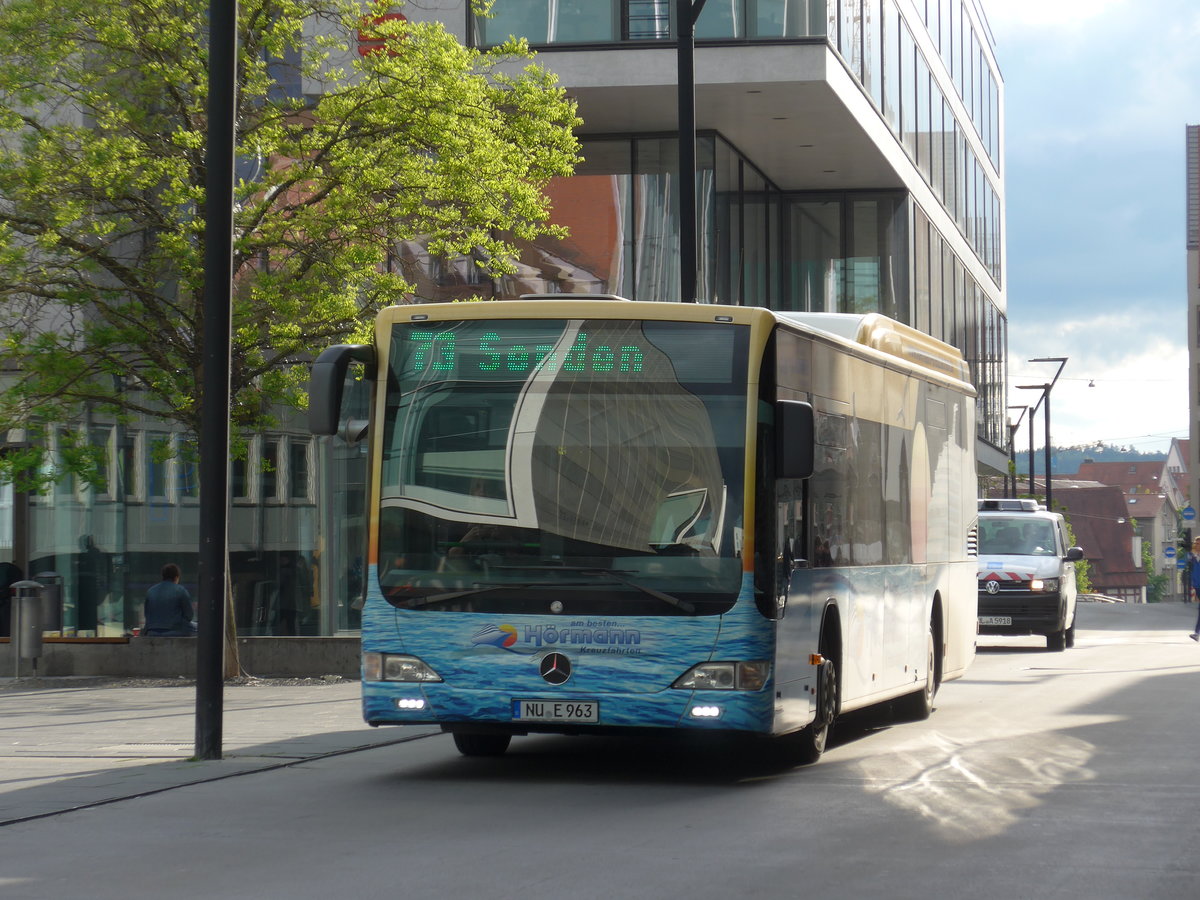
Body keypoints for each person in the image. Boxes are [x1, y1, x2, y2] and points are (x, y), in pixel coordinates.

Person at [142, 563, 196, 636]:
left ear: (163, 576)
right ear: (176, 577)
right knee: (196, 628)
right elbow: (189, 615)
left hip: (152, 631)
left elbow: (147, 614)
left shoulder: (150, 591)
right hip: (175, 631)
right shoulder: (181, 590)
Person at [1189, 538, 1200, 642]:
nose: (1197, 545)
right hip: (1197, 585)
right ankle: (1197, 633)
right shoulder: (1193, 556)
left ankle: (1197, 633)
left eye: (1198, 543)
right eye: (1196, 543)